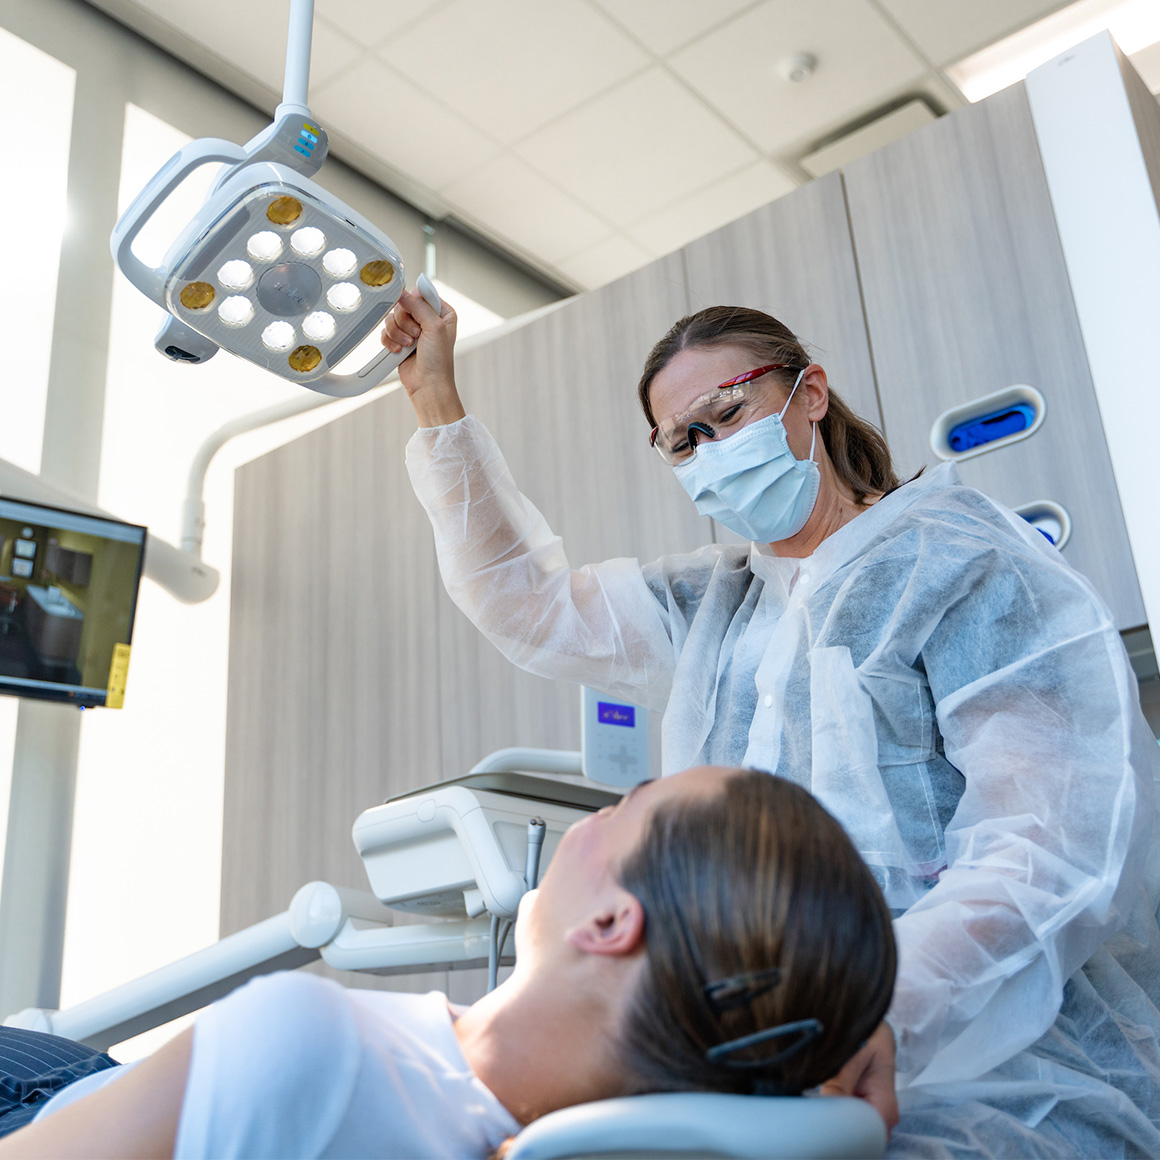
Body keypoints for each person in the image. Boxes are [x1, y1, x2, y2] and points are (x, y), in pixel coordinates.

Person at [383, 291, 1160, 1158]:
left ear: (811, 394)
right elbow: (527, 606)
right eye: (684, 441)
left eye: (727, 413)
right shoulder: (721, 600)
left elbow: (1047, 843)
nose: (712, 451)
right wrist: (435, 401)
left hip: (995, 1057)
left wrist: (882, 1012)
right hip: (774, 1060)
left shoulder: (961, 564)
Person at [0, 767, 896, 1158]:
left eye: (625, 808)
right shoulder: (675, 1110)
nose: (585, 826)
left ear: (615, 920)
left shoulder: (306, 1045)